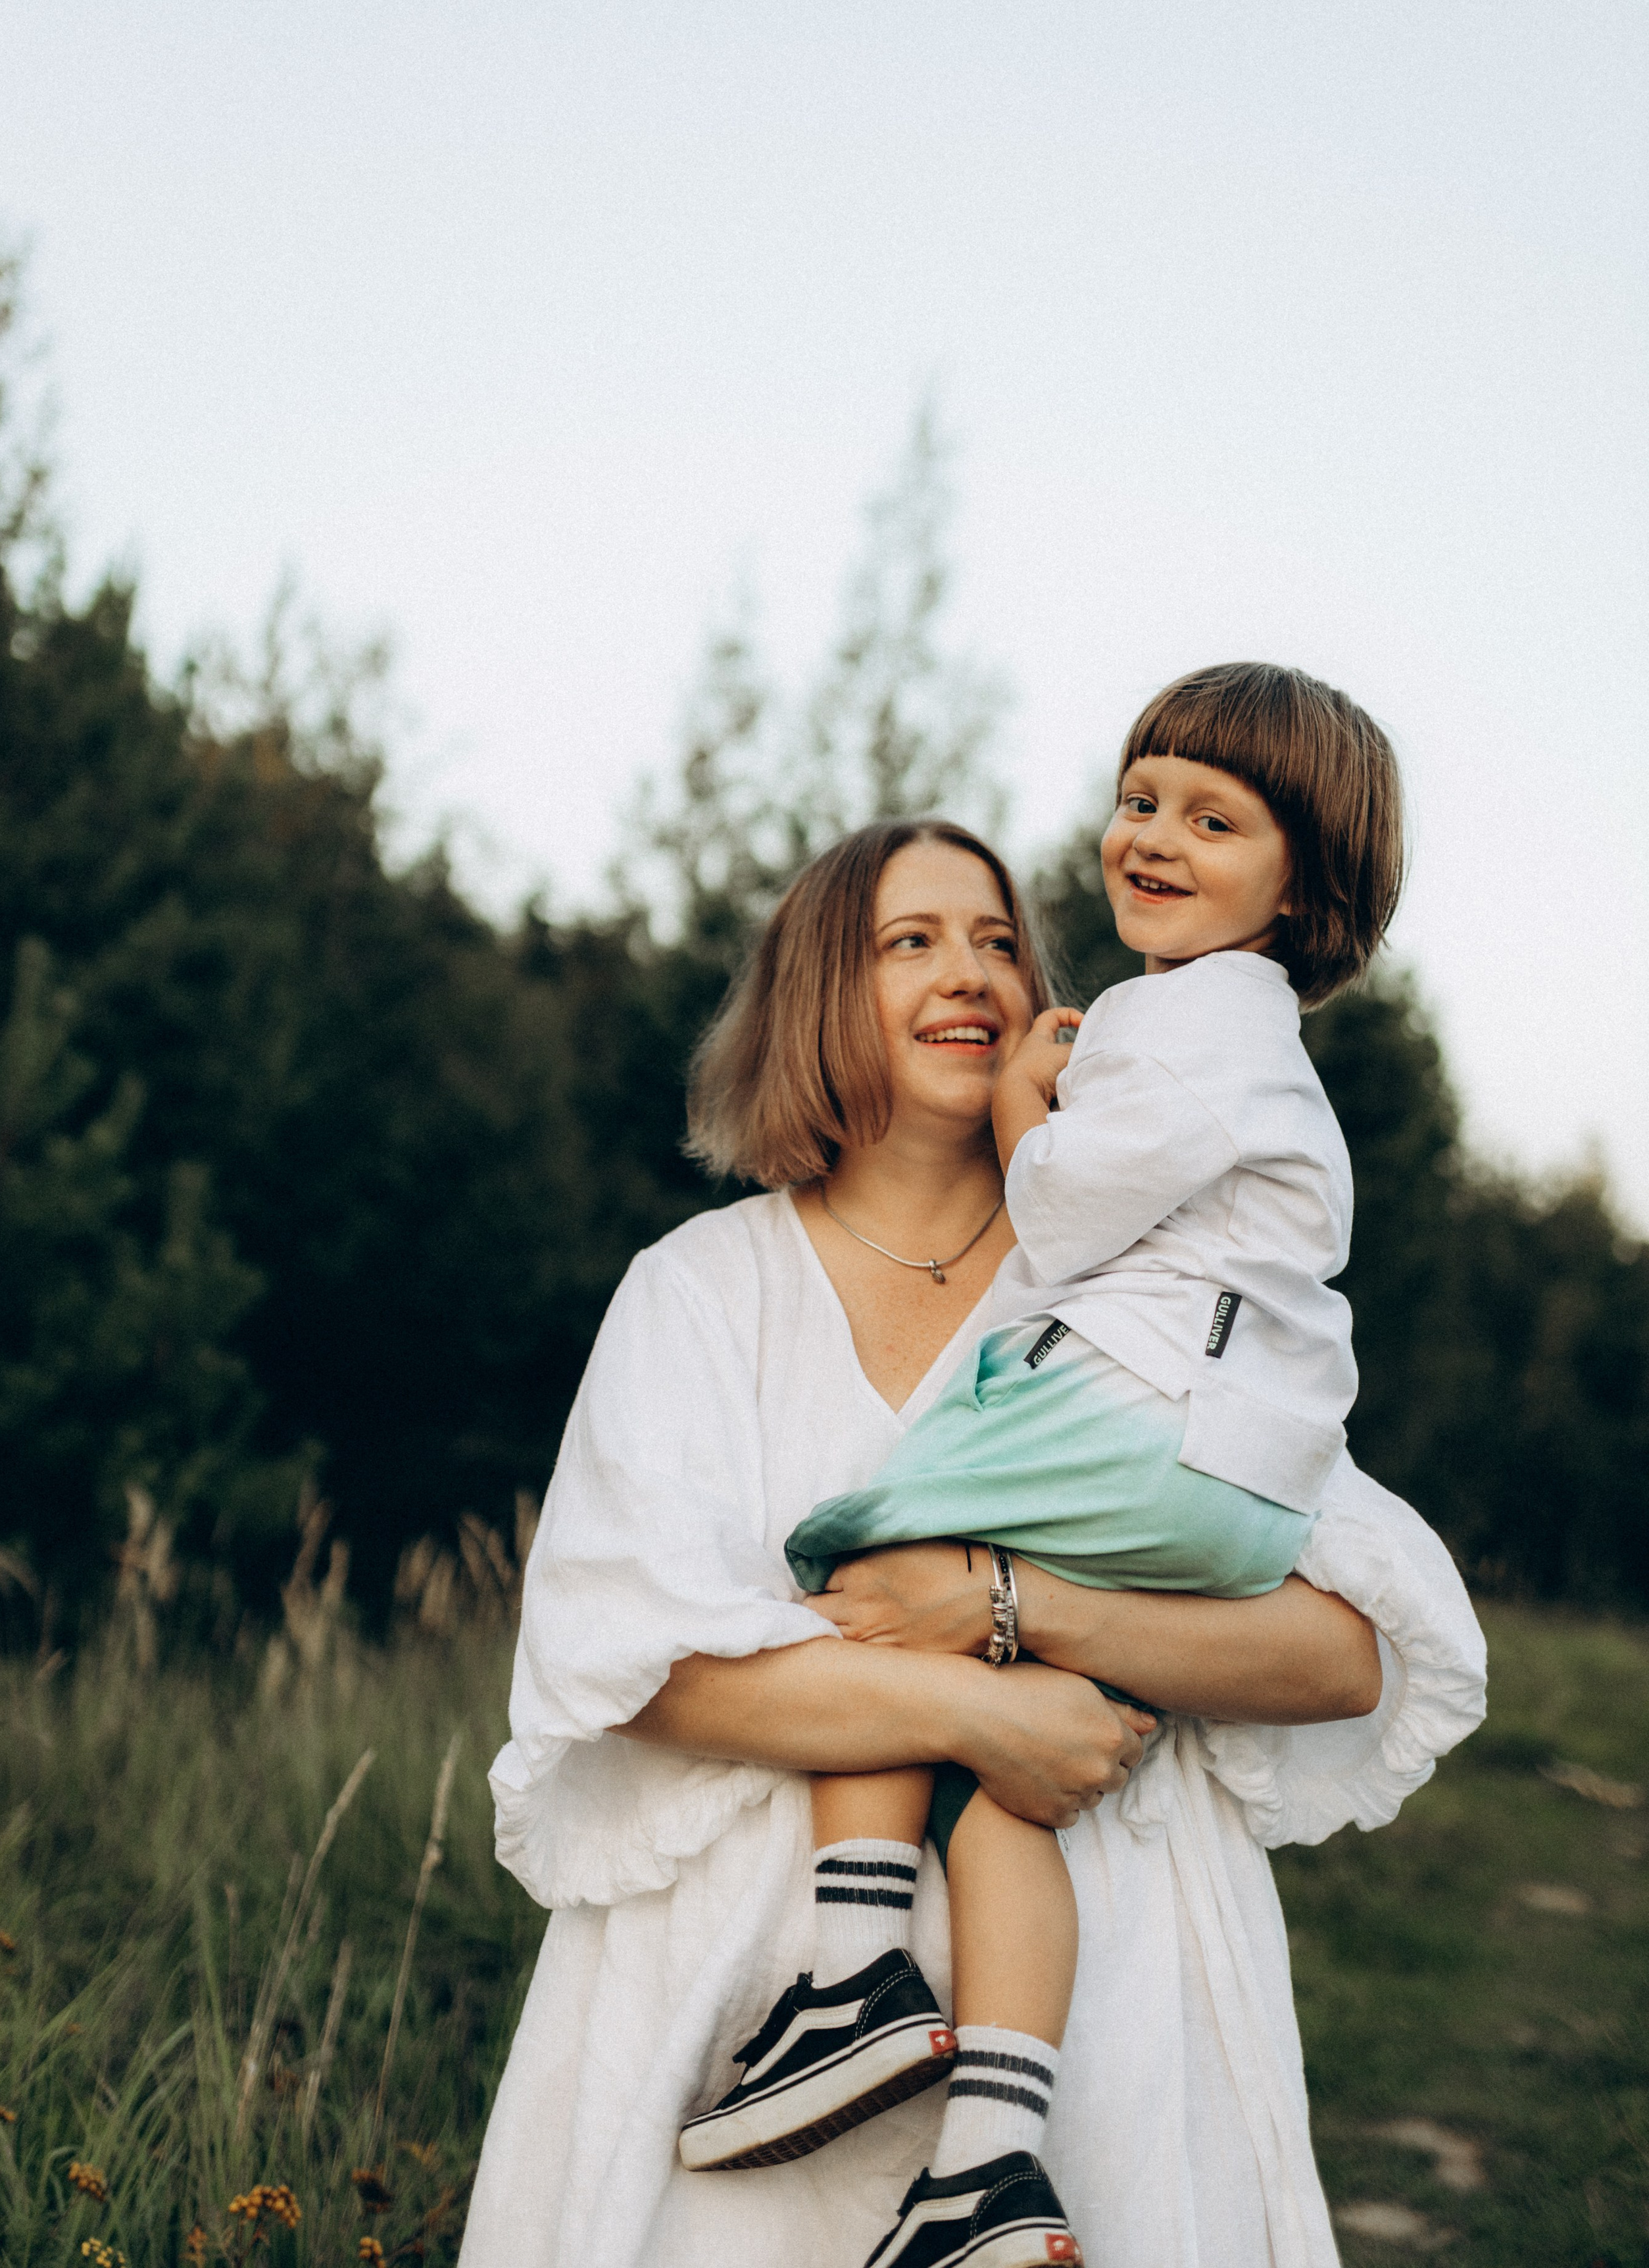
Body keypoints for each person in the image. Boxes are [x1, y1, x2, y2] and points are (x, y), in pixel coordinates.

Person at [460, 812, 1486, 2268]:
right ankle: (843, 2014)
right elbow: (632, 1667)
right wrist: (980, 1707)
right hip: (744, 2002)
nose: (972, 976)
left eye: (1000, 942)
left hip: (1109, 2004)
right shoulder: (696, 1292)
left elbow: (1342, 1652)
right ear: (821, 993)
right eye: (910, 942)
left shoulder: (1156, 1279)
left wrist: (1006, 1605)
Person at [676, 666, 1405, 2268]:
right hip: (1203, 1473)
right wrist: (999, 1673)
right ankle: (991, 2152)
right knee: (1008, 1793)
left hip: (1167, 1445)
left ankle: (856, 1966)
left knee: (856, 1554)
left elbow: (1071, 1225)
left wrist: (1025, 1114)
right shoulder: (701, 1286)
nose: (1151, 837)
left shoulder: (1198, 1027)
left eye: (1211, 819)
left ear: (1303, 888)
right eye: (1139, 799)